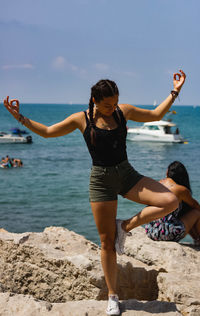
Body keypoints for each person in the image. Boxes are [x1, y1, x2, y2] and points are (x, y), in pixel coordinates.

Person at [3, 70, 186, 315]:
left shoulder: (124, 111)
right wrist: (20, 117)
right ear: (95, 102)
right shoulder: (82, 119)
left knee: (171, 201)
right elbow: (47, 132)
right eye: (107, 105)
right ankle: (113, 296)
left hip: (127, 174)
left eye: (115, 102)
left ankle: (126, 226)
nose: (113, 108)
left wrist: (175, 90)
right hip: (101, 181)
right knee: (106, 243)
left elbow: (156, 114)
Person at [145, 161, 200, 246]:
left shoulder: (157, 184)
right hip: (167, 233)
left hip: (150, 231)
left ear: (167, 172)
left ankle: (197, 240)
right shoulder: (180, 189)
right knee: (196, 212)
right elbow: (195, 205)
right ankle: (198, 240)